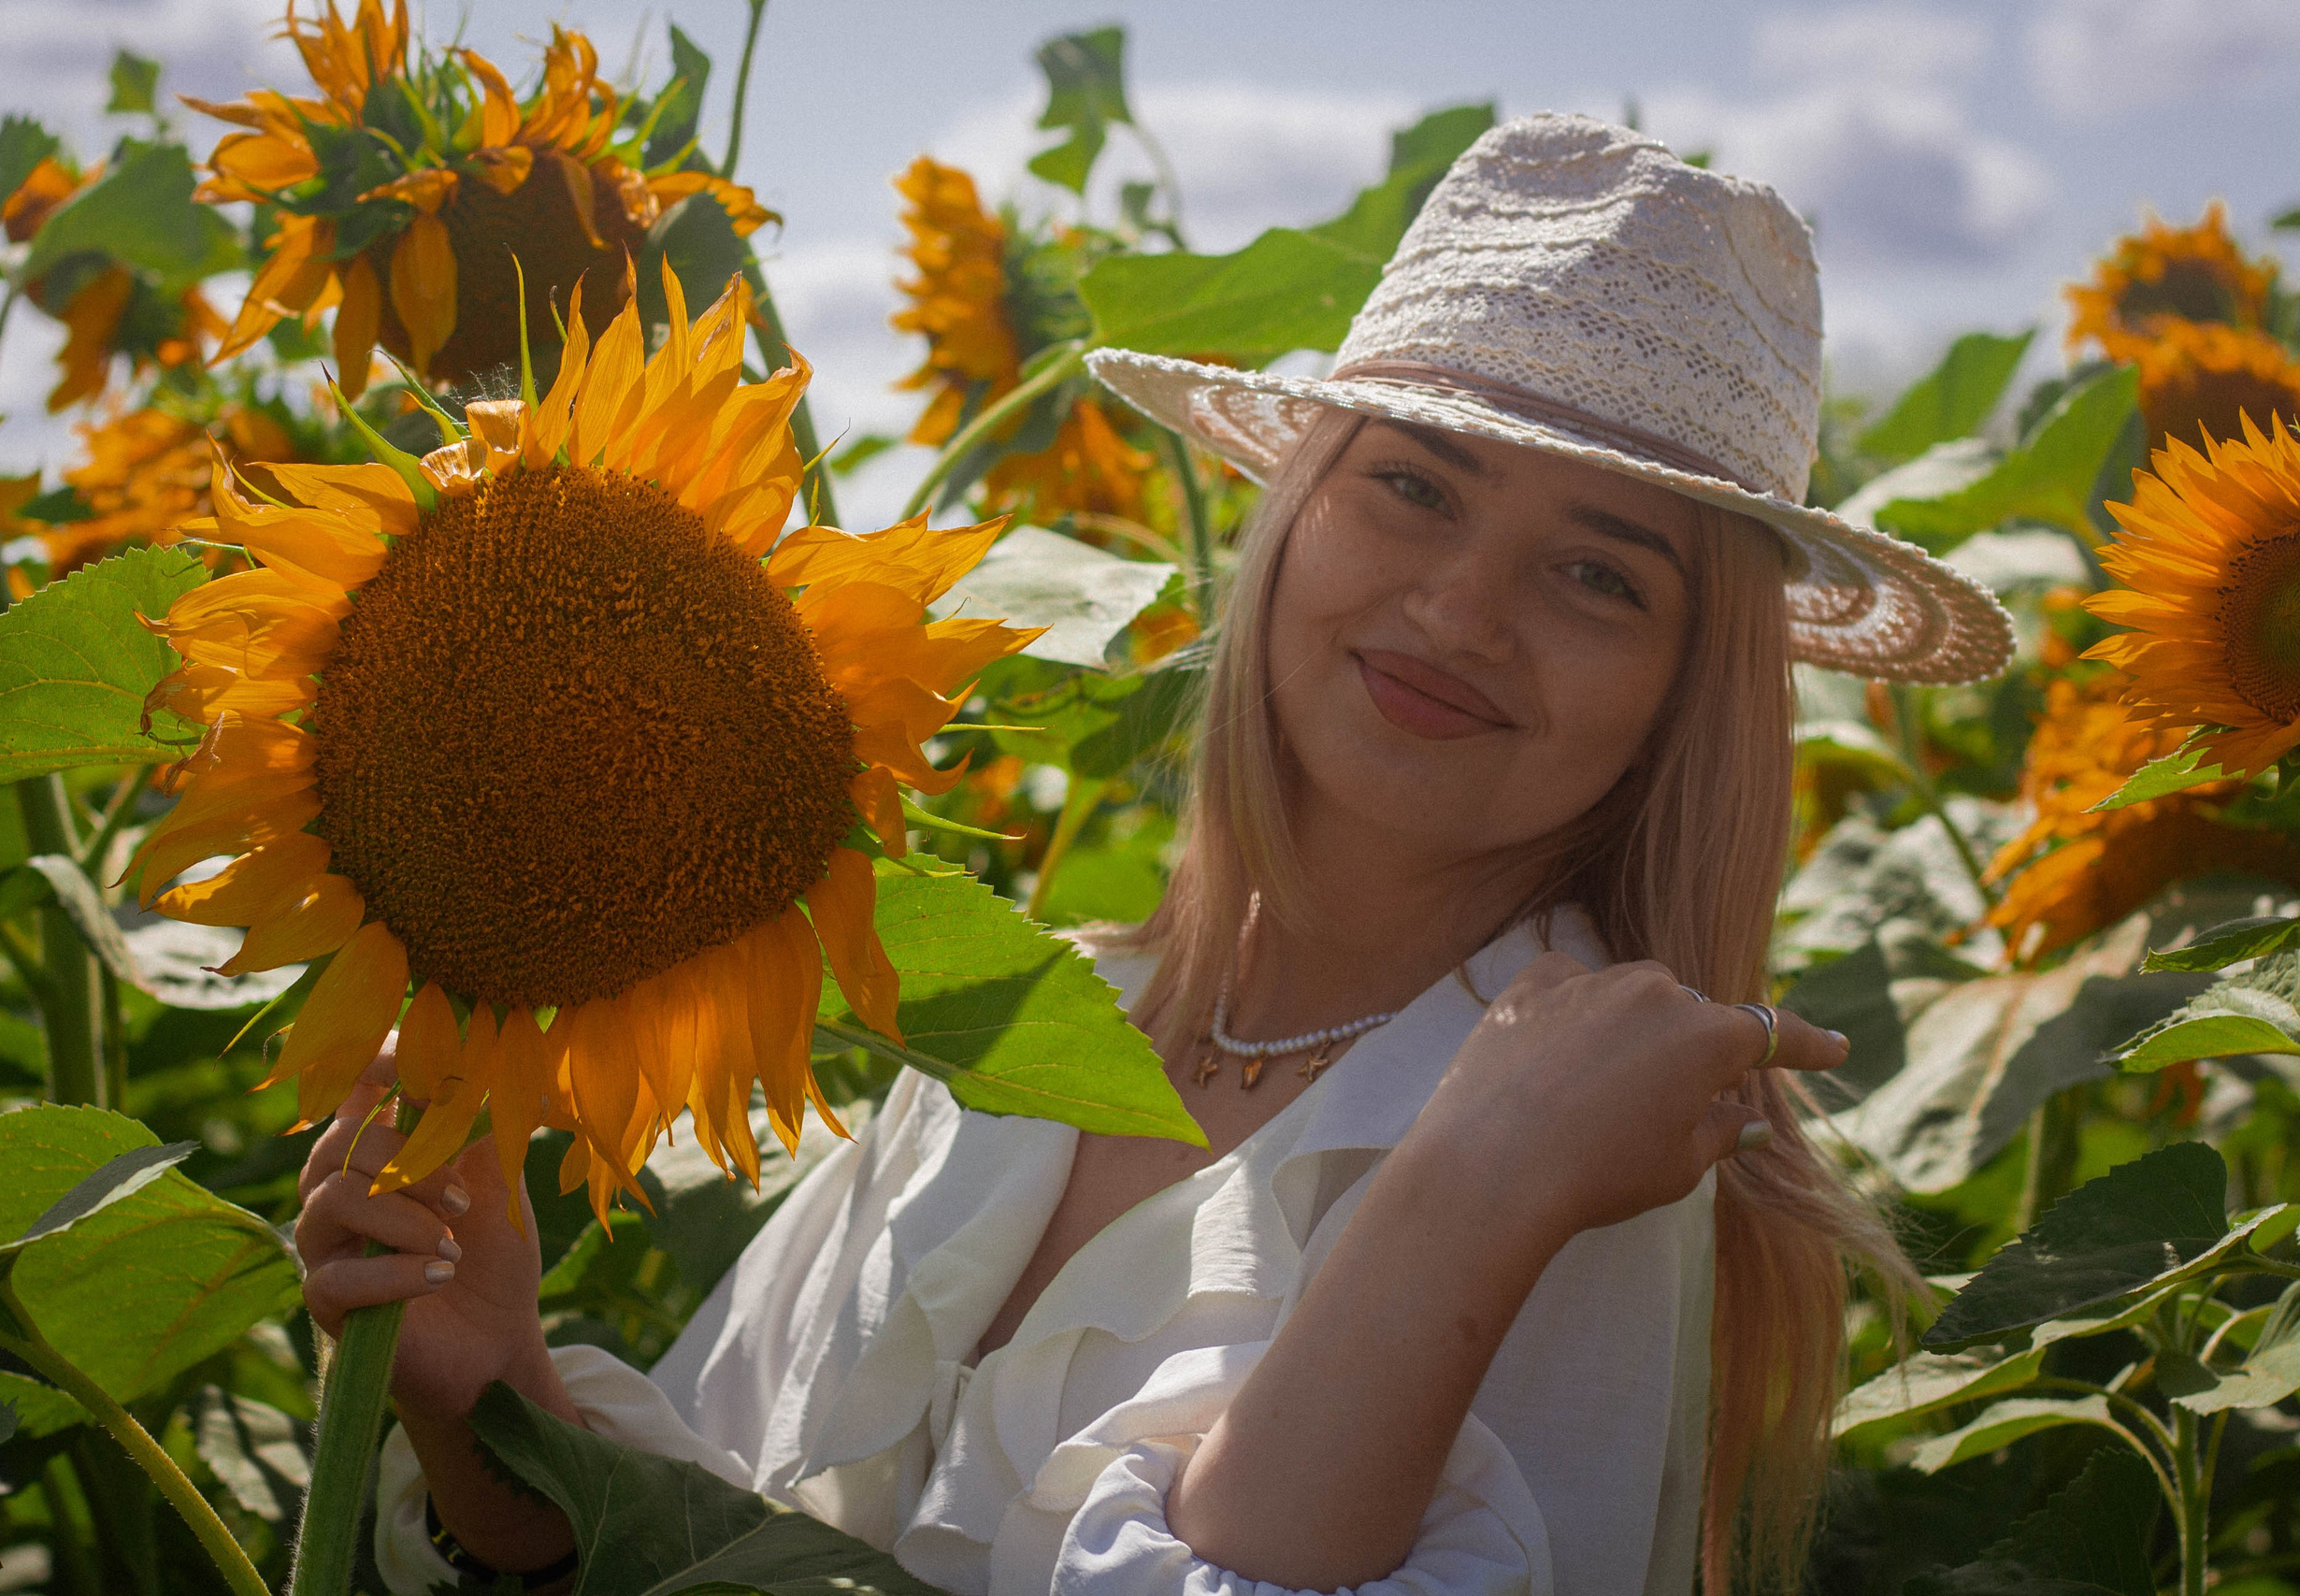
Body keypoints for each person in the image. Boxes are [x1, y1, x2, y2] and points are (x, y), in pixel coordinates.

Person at [298, 113, 2014, 1596]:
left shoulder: (1592, 1149)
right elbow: (714, 1539)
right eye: (1415, 488)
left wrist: (1461, 1209)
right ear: (1297, 514)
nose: (1460, 609)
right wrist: (490, 1405)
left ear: (1682, 695)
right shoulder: (1023, 1029)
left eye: (1599, 576)